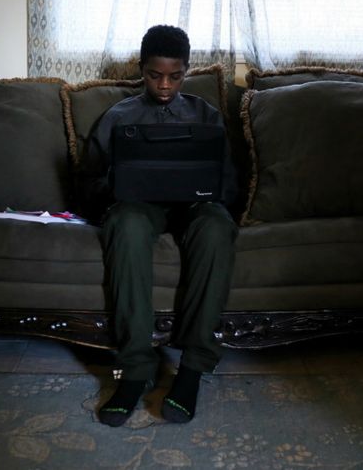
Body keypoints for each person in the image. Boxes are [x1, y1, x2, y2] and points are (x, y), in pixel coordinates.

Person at [79, 25, 238, 427]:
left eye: (175, 76)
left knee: (217, 226)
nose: (164, 85)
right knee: (125, 225)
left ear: (187, 71)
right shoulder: (118, 117)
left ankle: (192, 369)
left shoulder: (207, 116)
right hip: (140, 205)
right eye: (154, 75)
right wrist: (119, 181)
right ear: (141, 69)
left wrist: (208, 189)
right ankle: (134, 370)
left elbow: (229, 184)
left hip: (195, 206)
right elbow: (86, 184)